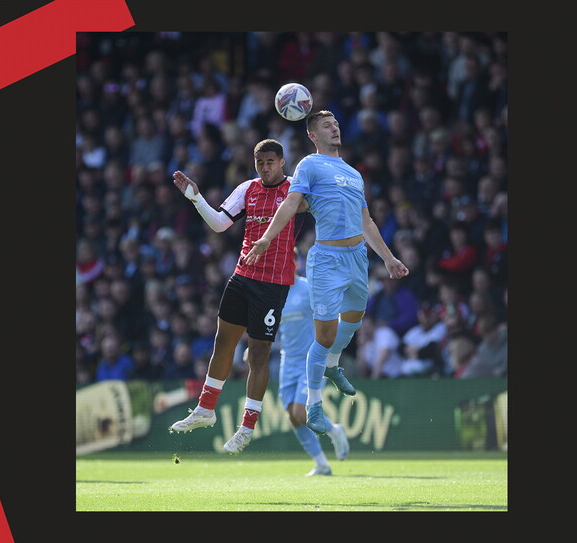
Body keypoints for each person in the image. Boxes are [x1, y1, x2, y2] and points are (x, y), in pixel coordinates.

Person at [245, 110, 409, 436]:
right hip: (326, 259)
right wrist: (266, 238)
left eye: (336, 124)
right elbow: (292, 204)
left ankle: (332, 366)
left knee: (354, 321)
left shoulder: (353, 173)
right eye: (326, 126)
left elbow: (367, 222)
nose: (334, 128)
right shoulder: (309, 165)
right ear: (313, 135)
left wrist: (389, 258)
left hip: (357, 258)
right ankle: (314, 405)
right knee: (325, 335)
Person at [168, 138, 307, 455]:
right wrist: (196, 198)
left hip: (273, 283)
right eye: (260, 162)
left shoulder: (297, 191)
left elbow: (322, 204)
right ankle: (205, 409)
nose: (265, 167)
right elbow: (219, 224)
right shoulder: (247, 189)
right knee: (223, 342)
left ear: (283, 162)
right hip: (243, 276)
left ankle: (247, 428)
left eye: (271, 161)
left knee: (258, 354)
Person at [272, 267, 349, 475]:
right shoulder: (275, 292)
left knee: (300, 411)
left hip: (310, 359)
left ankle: (333, 431)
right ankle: (322, 464)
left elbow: (332, 310)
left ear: (294, 262)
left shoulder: (307, 288)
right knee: (292, 416)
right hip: (287, 361)